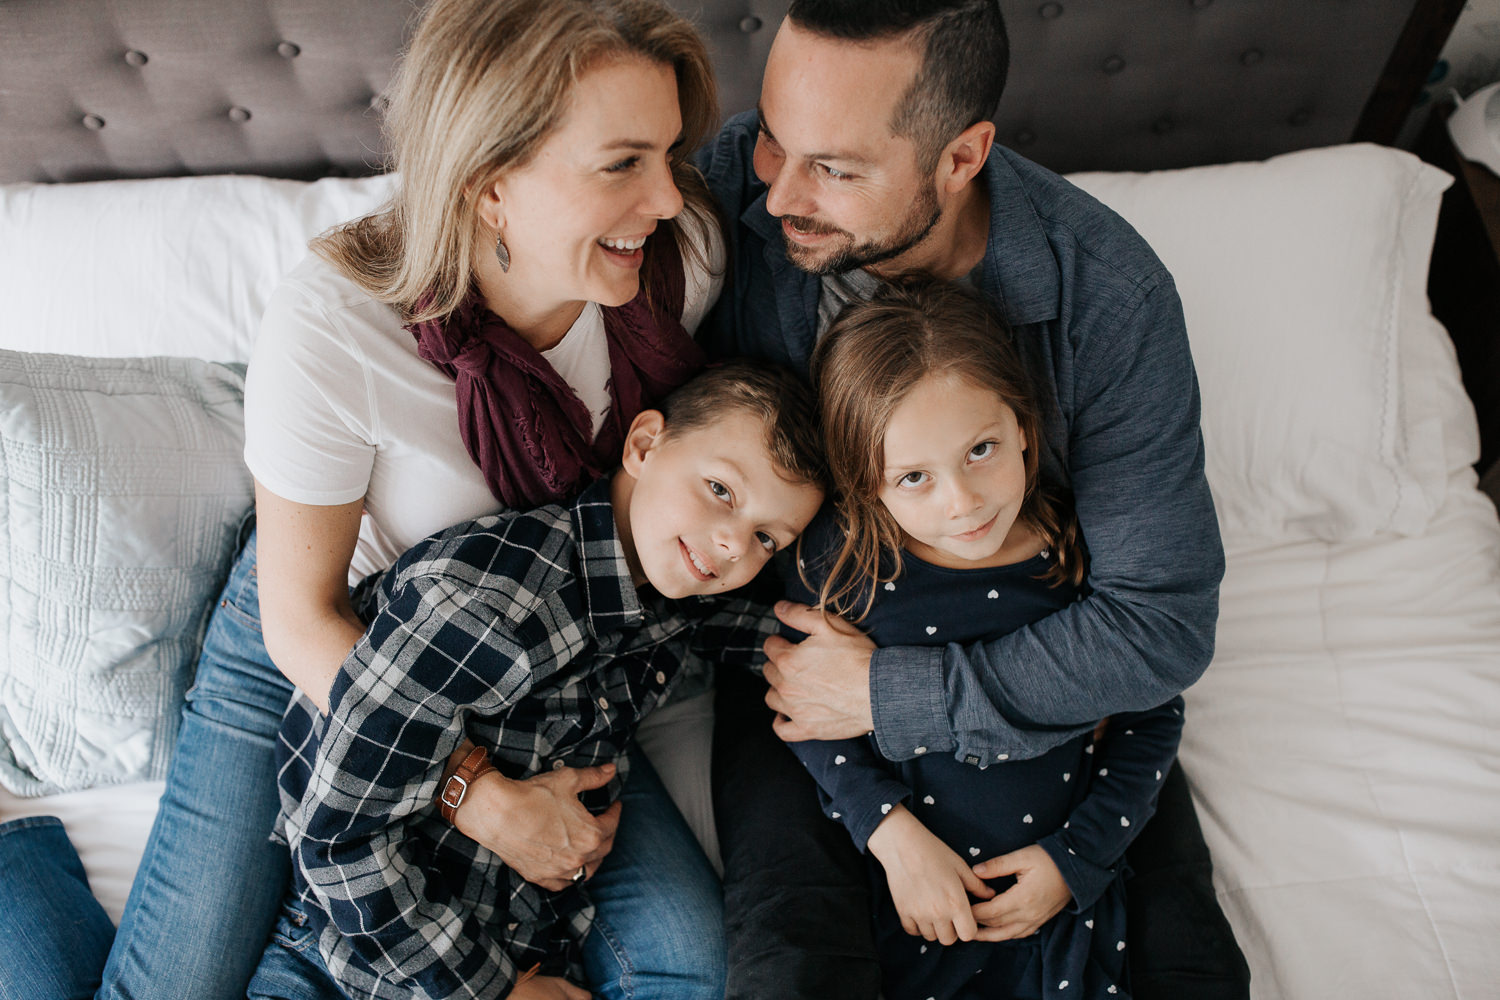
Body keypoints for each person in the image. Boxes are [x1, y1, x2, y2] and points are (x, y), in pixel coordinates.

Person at [0, 2, 733, 998]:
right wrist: (480, 799)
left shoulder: (670, 263)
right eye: (621, 163)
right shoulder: (336, 324)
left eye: (669, 153)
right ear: (489, 185)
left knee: (689, 963)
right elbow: (302, 617)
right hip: (327, 644)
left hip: (542, 669)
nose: (662, 197)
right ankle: (12, 865)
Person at [694, 2, 1250, 997]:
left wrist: (889, 694)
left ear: (962, 158)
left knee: (1184, 971)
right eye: (777, 137)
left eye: (838, 168)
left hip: (1042, 659)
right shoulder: (739, 177)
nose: (778, 194)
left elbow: (1157, 631)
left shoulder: (1107, 298)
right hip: (801, 677)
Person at [250, 362, 827, 1000]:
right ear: (643, 446)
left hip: (516, 937)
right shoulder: (490, 606)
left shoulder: (664, 592)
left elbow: (741, 627)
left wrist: (866, 673)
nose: (730, 546)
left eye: (767, 538)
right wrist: (494, 992)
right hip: (368, 957)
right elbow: (338, 840)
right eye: (721, 490)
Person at [789, 278, 1183, 1000]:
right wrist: (893, 836)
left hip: (1061, 911)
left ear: (1025, 426)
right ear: (866, 486)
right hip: (916, 910)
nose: (962, 502)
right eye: (913, 477)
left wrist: (1077, 859)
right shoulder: (847, 567)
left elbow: (1151, 713)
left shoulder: (1075, 557)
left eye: (982, 449)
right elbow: (808, 719)